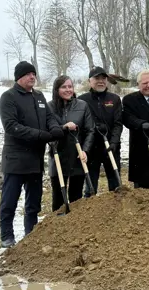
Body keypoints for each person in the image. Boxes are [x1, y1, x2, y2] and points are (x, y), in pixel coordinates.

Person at [0, 61, 64, 248]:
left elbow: (49, 117)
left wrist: (55, 129)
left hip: (35, 159)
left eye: (33, 74)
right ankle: (7, 237)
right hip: (16, 159)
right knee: (9, 200)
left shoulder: (39, 96)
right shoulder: (8, 97)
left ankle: (31, 236)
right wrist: (40, 135)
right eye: (28, 74)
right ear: (19, 77)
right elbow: (11, 126)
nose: (32, 77)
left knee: (33, 203)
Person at [47, 75, 94, 211]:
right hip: (57, 156)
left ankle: (75, 229)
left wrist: (85, 150)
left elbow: (90, 130)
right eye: (63, 87)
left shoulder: (82, 105)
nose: (68, 90)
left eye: (70, 87)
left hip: (77, 156)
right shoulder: (49, 107)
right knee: (58, 198)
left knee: (76, 198)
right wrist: (64, 127)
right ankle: (57, 227)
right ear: (56, 90)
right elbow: (47, 131)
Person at [78, 67, 123, 195]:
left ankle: (117, 212)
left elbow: (118, 124)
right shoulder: (82, 100)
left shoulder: (114, 99)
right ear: (89, 81)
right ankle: (92, 213)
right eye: (97, 78)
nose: (101, 81)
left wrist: (114, 142)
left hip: (111, 148)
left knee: (116, 187)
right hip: (91, 150)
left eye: (103, 78)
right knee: (90, 188)